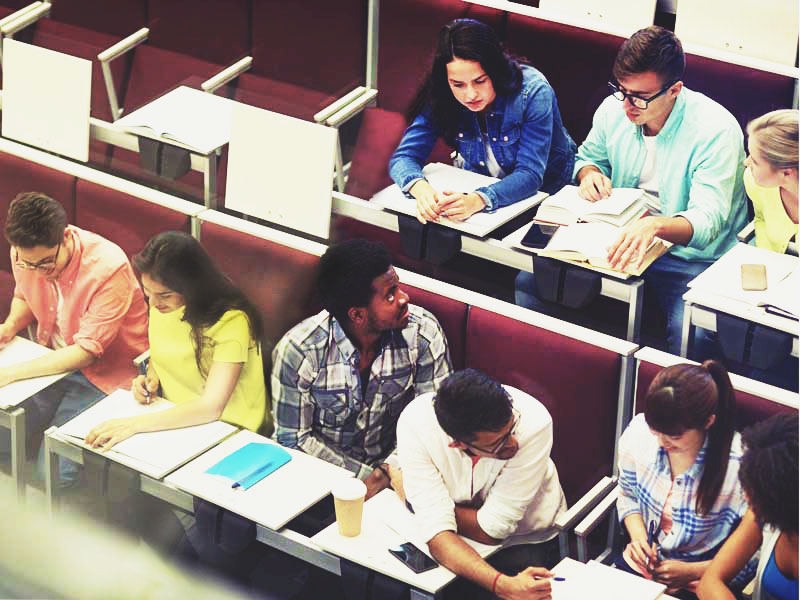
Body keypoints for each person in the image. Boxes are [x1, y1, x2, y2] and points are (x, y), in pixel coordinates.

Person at [515, 26, 747, 357]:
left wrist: (655, 225)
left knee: (692, 335)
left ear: (675, 90)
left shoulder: (716, 130)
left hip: (689, 259)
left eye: (639, 97)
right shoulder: (615, 108)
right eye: (621, 90)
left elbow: (708, 222)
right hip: (614, 238)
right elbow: (588, 157)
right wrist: (589, 174)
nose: (626, 105)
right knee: (531, 282)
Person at [272, 239, 452, 500]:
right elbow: (293, 439)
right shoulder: (300, 349)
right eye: (390, 294)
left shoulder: (423, 332)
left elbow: (435, 421)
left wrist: (386, 473)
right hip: (321, 477)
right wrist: (360, 481)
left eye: (398, 286)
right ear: (357, 315)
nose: (404, 298)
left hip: (400, 476)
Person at [0, 192, 148, 485]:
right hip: (47, 361)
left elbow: (86, 353)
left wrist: (10, 373)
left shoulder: (108, 267)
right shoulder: (24, 253)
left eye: (45, 263)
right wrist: (10, 325)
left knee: (53, 476)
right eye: (26, 263)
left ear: (66, 237)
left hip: (104, 377)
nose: (36, 271)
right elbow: (25, 294)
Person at [85, 231, 269, 449]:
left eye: (164, 295)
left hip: (228, 429)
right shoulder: (162, 306)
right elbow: (161, 352)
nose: (153, 302)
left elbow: (212, 406)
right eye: (147, 292)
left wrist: (134, 425)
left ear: (192, 287)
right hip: (176, 418)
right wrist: (150, 378)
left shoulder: (232, 321)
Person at [394, 369, 566, 600]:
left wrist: (415, 501)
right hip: (459, 541)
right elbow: (438, 534)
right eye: (497, 443)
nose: (513, 444)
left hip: (527, 538)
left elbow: (492, 531)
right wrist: (502, 585)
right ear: (458, 445)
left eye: (511, 429)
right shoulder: (415, 423)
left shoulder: (535, 422)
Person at [389, 18, 576, 224]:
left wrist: (478, 200)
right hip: (478, 186)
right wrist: (422, 191)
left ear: (495, 70)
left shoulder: (533, 91)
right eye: (458, 84)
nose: (471, 95)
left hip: (546, 192)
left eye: (480, 81)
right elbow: (403, 157)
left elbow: (530, 175)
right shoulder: (440, 92)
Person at [616, 361, 755, 599]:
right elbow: (627, 495)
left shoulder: (741, 465)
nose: (661, 442)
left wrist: (693, 570)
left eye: (674, 436)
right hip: (643, 566)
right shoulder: (638, 433)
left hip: (706, 578)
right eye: (655, 430)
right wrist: (639, 539)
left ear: (708, 422)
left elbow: (757, 554)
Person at [698, 412, 798, 600]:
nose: (746, 497)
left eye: (754, 493)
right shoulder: (759, 515)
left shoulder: (766, 510)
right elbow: (710, 581)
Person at [743, 109, 798, 253]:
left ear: (786, 173)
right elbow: (761, 220)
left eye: (755, 160)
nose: (746, 162)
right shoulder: (753, 181)